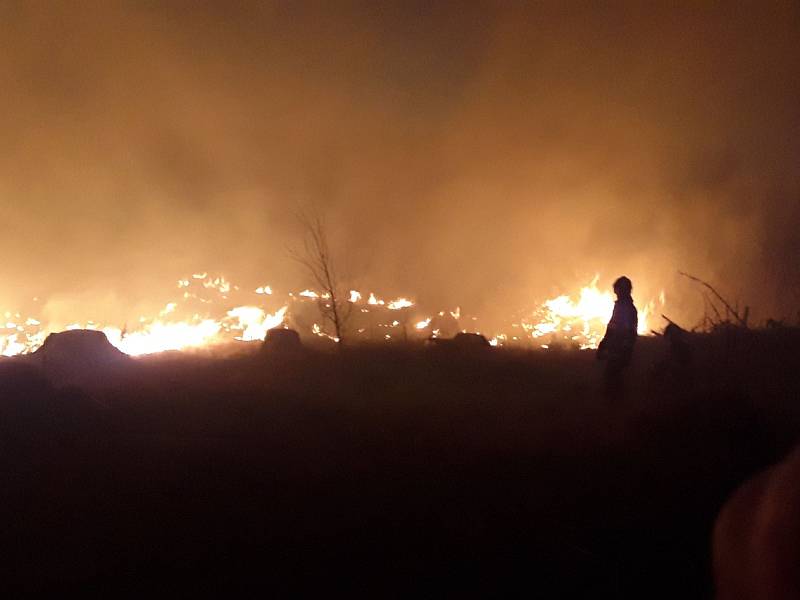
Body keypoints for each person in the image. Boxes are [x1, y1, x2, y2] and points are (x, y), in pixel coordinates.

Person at [596, 276, 638, 398]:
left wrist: (624, 350)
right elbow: (612, 327)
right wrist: (604, 343)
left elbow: (629, 332)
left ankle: (615, 406)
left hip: (619, 350)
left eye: (618, 290)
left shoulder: (627, 309)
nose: (616, 293)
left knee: (613, 379)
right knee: (612, 377)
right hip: (616, 349)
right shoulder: (620, 307)